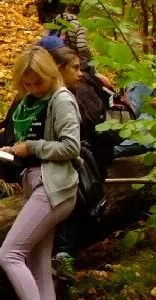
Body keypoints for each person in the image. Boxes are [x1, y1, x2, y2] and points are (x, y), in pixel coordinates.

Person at [0, 47, 81, 300]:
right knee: (38, 260)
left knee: (9, 254)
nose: (32, 89)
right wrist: (14, 152)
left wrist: (32, 148)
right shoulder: (31, 102)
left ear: (50, 74)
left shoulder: (62, 100)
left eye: (37, 83)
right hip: (36, 183)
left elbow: (71, 147)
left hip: (54, 188)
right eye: (27, 84)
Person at [48, 45, 112, 274]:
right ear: (59, 69)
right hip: (69, 168)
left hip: (68, 164)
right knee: (77, 197)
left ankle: (62, 256)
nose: (80, 73)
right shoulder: (63, 97)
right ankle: (62, 256)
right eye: (74, 68)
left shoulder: (73, 91)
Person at [35, 0, 91, 66]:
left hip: (49, 65)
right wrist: (90, 57)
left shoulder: (52, 26)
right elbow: (82, 47)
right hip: (68, 62)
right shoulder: (78, 26)